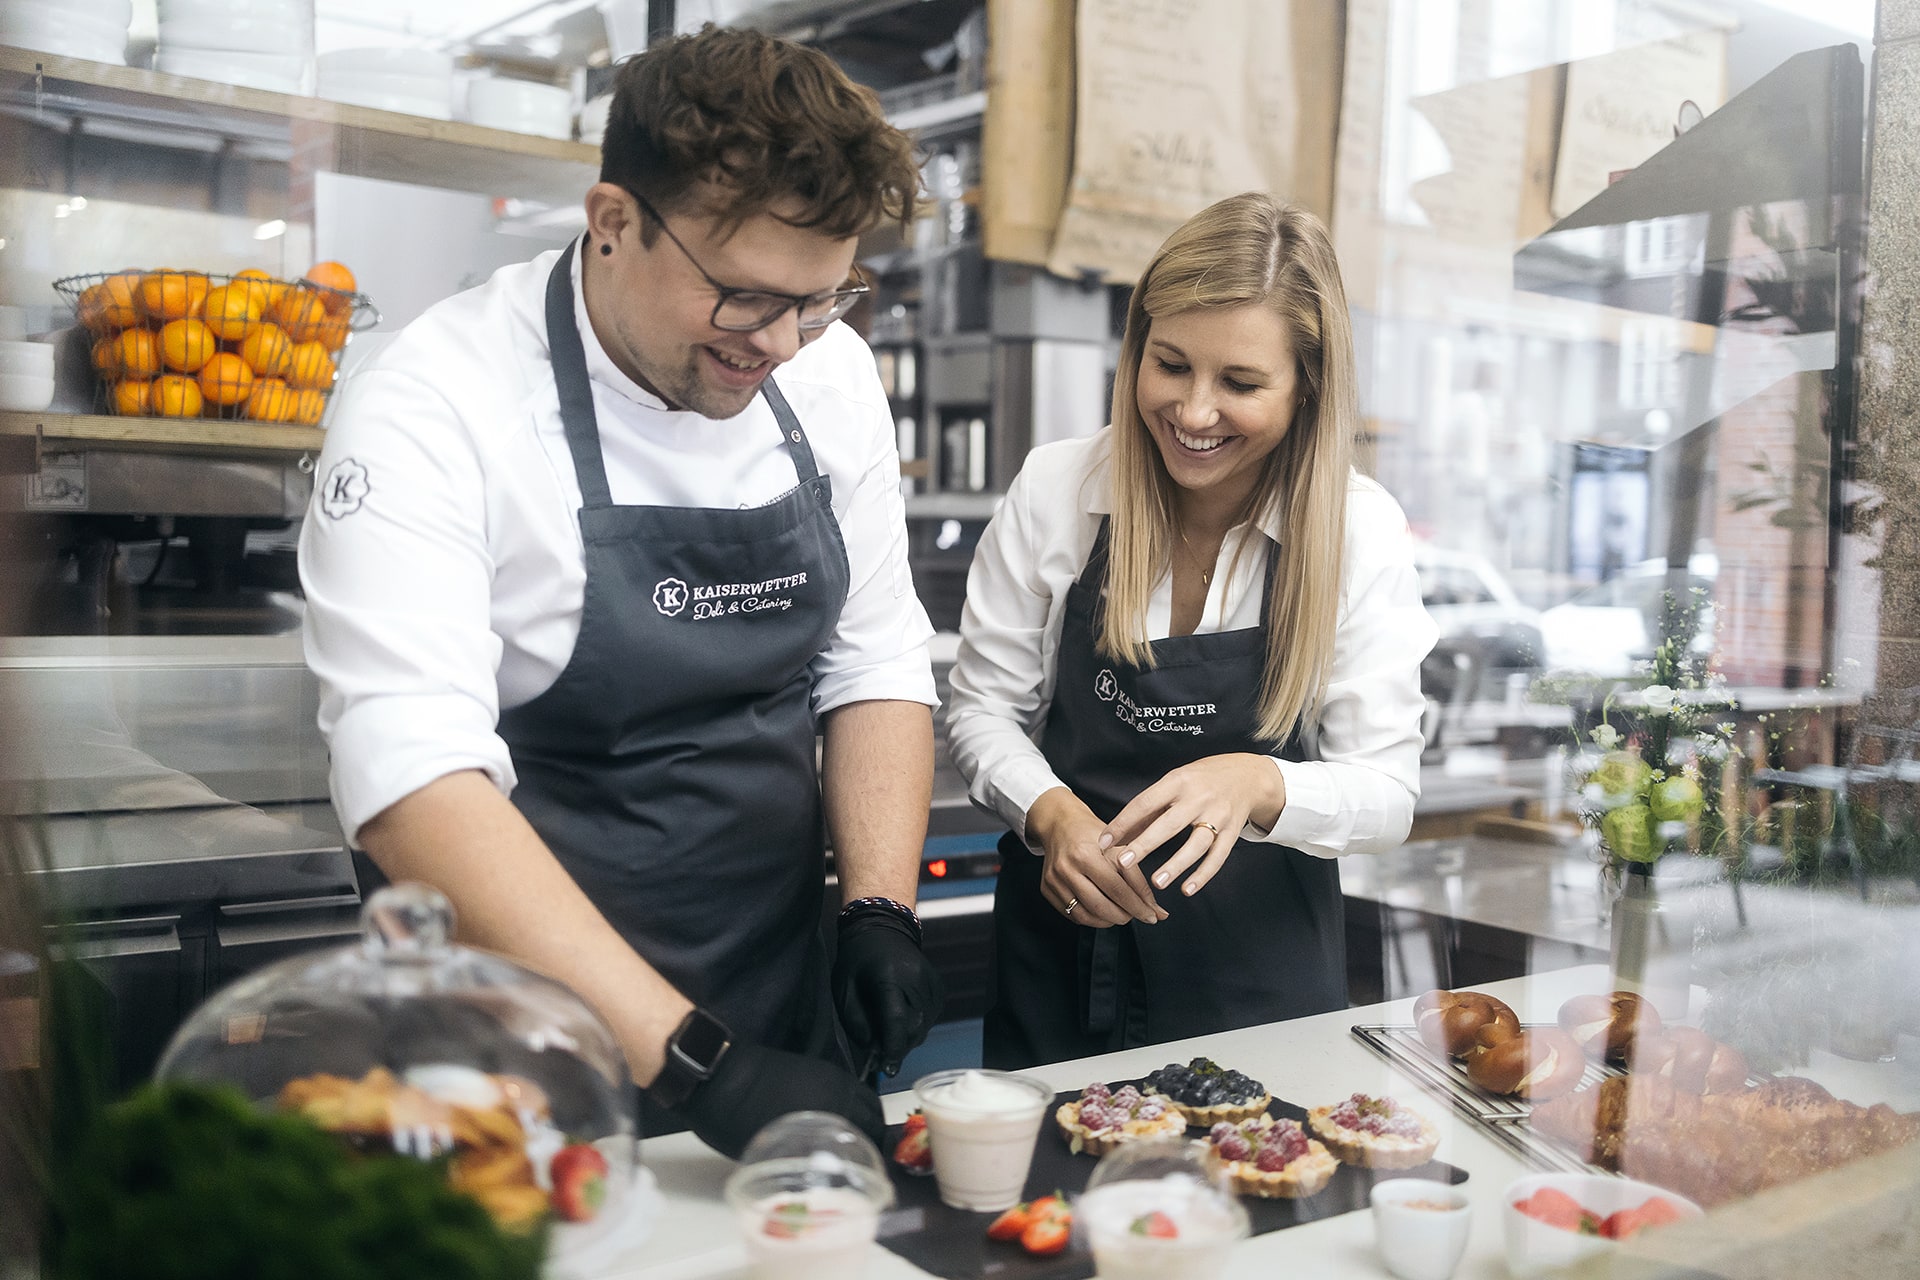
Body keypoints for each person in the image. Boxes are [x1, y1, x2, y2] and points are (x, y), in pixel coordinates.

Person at [299, 26, 944, 1156]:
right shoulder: (435, 402)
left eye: (824, 299)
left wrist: (878, 907)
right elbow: (412, 782)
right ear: (612, 223)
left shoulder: (825, 371)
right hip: (517, 1059)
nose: (785, 342)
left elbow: (874, 656)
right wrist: (699, 1062)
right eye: (746, 296)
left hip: (781, 1026)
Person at [946, 193, 1437, 1068]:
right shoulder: (1059, 490)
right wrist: (1051, 815)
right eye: (1170, 365)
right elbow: (982, 710)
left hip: (1259, 988)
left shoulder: (1357, 530)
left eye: (1241, 384)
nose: (1194, 411)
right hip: (1059, 969)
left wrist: (1257, 784)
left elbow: (1389, 795)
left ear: (1306, 388)